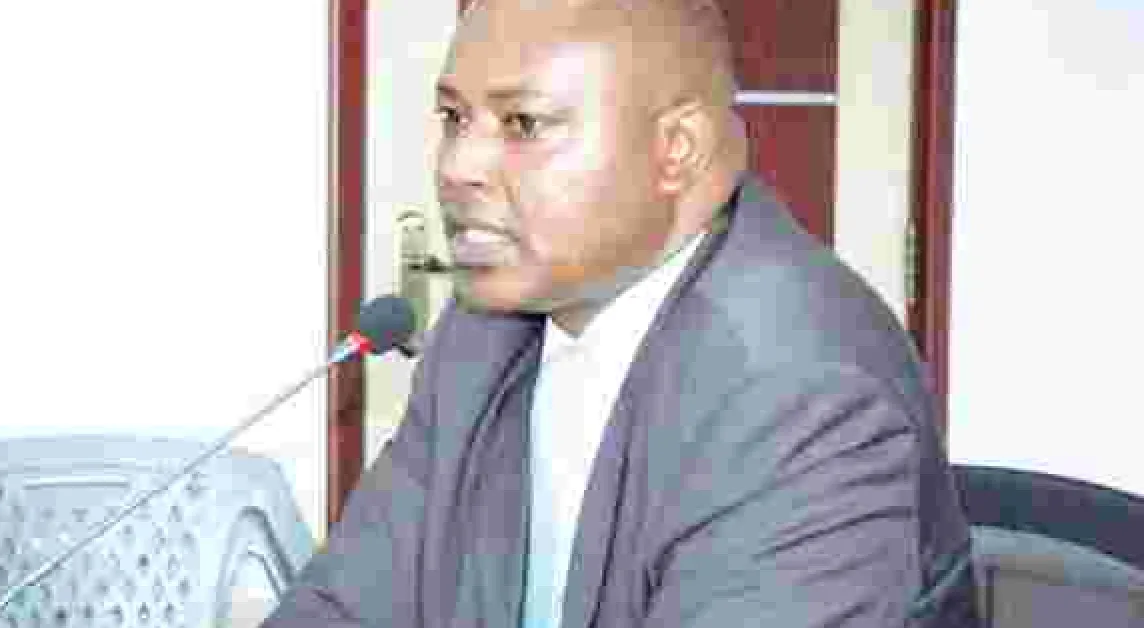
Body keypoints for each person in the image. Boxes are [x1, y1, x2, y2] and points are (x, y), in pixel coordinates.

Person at [262, 0, 980, 626]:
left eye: (523, 124)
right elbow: (347, 605)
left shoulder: (800, 395)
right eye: (455, 117)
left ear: (677, 150)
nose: (457, 166)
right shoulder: (483, 335)